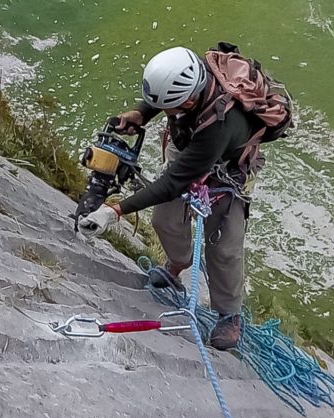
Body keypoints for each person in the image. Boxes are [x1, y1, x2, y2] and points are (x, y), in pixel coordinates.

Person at [78, 46, 266, 351]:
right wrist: (142, 111)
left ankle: (229, 315)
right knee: (165, 219)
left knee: (224, 244)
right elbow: (166, 98)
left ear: (189, 101)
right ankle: (178, 263)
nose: (166, 113)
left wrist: (114, 211)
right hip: (190, 146)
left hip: (230, 171)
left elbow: (172, 184)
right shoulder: (187, 72)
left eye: (170, 108)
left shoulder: (220, 124)